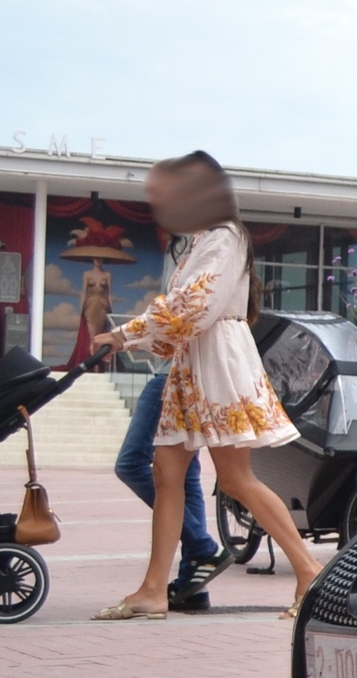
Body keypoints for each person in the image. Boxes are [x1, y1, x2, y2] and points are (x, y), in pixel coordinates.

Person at [91, 154, 319, 621]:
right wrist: (145, 336)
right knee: (166, 472)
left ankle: (309, 568)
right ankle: (154, 589)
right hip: (196, 364)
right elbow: (186, 310)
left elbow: (194, 305)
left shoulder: (222, 237)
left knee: (235, 478)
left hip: (216, 364)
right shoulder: (207, 239)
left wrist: (126, 333)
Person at [112, 234, 227, 612]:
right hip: (181, 371)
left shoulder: (211, 242)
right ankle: (194, 582)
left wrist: (124, 336)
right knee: (185, 477)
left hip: (173, 375)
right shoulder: (188, 244)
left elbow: (179, 311)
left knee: (131, 463)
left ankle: (202, 545)